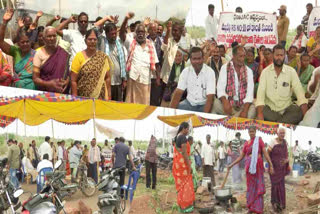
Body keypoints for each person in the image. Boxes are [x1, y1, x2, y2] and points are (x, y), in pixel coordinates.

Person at [256, 44, 308, 124]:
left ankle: (277, 124)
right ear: (273, 55)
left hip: (287, 108)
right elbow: (260, 95)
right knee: (261, 111)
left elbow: (299, 92)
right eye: (277, 55)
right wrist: (260, 114)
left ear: (285, 56)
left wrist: (305, 115)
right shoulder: (265, 72)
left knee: (297, 112)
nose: (279, 58)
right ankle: (282, 125)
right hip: (270, 109)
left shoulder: (291, 71)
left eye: (281, 55)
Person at [227, 126, 274, 214]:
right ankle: (251, 207)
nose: (251, 133)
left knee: (258, 187)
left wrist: (270, 164)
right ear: (248, 132)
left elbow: (265, 153)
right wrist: (231, 165)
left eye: (253, 131)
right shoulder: (246, 144)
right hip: (249, 169)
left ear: (255, 132)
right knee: (250, 188)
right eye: (250, 132)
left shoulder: (259, 140)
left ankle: (259, 209)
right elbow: (241, 157)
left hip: (258, 168)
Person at [120, 13, 159, 105]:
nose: (140, 34)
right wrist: (126, 19)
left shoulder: (151, 44)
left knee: (144, 104)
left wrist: (157, 77)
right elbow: (122, 33)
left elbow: (156, 63)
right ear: (135, 33)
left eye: (142, 32)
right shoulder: (131, 43)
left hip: (146, 79)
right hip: (133, 78)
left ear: (145, 33)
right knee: (131, 103)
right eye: (138, 32)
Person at [170, 47, 215, 113]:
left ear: (203, 58)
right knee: (176, 113)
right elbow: (178, 92)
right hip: (188, 103)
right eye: (194, 59)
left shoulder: (210, 72)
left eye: (199, 58)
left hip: (204, 104)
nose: (197, 61)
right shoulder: (186, 71)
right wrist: (171, 111)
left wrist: (204, 116)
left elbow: (210, 98)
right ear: (190, 60)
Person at [214, 45, 255, 118]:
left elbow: (249, 94)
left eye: (243, 56)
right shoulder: (225, 68)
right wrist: (225, 102)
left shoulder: (249, 71)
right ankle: (236, 120)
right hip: (228, 104)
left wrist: (245, 111)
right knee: (215, 103)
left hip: (242, 105)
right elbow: (220, 88)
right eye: (240, 56)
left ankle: (231, 119)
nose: (242, 59)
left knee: (253, 109)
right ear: (233, 56)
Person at [71, 28, 112, 99]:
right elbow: (73, 80)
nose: (92, 41)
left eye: (95, 39)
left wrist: (109, 95)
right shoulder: (79, 56)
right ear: (85, 41)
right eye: (90, 39)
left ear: (97, 41)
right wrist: (75, 97)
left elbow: (107, 77)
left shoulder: (102, 57)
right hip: (83, 98)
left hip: (100, 98)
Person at [0, 9, 36, 90]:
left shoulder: (36, 54)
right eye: (22, 42)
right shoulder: (16, 51)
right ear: (18, 44)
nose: (25, 44)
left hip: (33, 88)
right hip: (17, 89)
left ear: (31, 42)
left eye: (27, 42)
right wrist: (5, 22)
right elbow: (1, 42)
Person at [94, 17, 127, 102]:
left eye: (115, 33)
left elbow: (122, 63)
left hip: (118, 82)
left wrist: (124, 79)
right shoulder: (101, 42)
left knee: (117, 105)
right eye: (111, 34)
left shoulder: (119, 43)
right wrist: (107, 18)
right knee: (106, 104)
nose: (114, 36)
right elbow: (94, 28)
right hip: (105, 82)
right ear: (106, 34)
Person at [32, 26, 70, 93]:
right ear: (44, 38)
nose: (52, 38)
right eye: (49, 36)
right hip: (46, 93)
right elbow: (35, 78)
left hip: (62, 93)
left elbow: (69, 72)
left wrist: (68, 80)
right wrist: (49, 84)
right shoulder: (39, 54)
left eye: (54, 36)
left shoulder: (63, 53)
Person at [172, 122, 195, 213]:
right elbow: (185, 153)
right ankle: (186, 207)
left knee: (181, 186)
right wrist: (189, 166)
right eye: (188, 129)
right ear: (184, 128)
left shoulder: (177, 137)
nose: (188, 131)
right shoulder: (182, 137)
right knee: (186, 185)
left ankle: (182, 205)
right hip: (184, 167)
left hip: (178, 166)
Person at [160, 21, 183, 104]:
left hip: (177, 79)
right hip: (166, 77)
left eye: (176, 30)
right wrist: (168, 31)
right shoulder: (169, 40)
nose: (174, 32)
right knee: (163, 101)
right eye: (173, 30)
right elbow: (164, 47)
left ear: (181, 31)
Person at [268, 128, 290, 213]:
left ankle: (281, 204)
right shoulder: (273, 141)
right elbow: (267, 153)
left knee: (281, 186)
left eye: (283, 133)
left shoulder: (285, 143)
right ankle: (274, 204)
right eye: (281, 133)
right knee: (274, 186)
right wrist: (270, 166)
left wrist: (287, 160)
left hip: (281, 169)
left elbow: (286, 154)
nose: (282, 135)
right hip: (274, 168)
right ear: (277, 133)